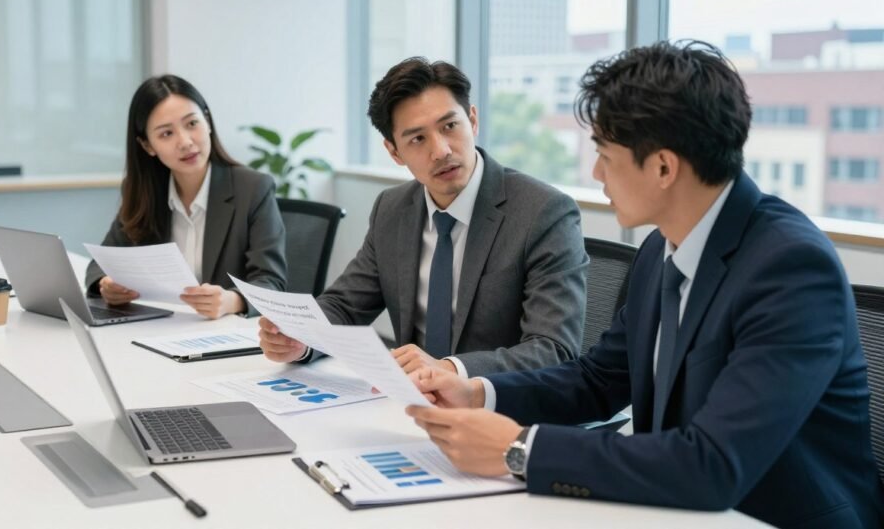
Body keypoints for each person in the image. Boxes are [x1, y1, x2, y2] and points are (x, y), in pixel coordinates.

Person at [406, 41, 884, 528]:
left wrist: (519, 449)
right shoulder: (661, 249)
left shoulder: (791, 270)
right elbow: (599, 380)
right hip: (675, 509)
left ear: (662, 167)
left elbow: (712, 465)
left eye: (605, 156)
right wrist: (479, 392)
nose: (596, 174)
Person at [259, 57, 588, 377]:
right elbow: (345, 306)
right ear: (394, 151)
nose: (441, 150)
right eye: (418, 138)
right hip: (409, 405)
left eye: (450, 126)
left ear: (472, 121)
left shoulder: (542, 212)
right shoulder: (393, 209)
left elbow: (553, 349)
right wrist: (301, 338)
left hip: (498, 412)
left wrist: (450, 370)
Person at [85, 75, 287, 318]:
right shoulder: (144, 192)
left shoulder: (253, 188)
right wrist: (106, 284)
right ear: (148, 146)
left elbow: (271, 282)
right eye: (166, 134)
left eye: (192, 124)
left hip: (225, 337)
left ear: (208, 122)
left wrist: (232, 301)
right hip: (159, 332)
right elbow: (101, 262)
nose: (185, 142)